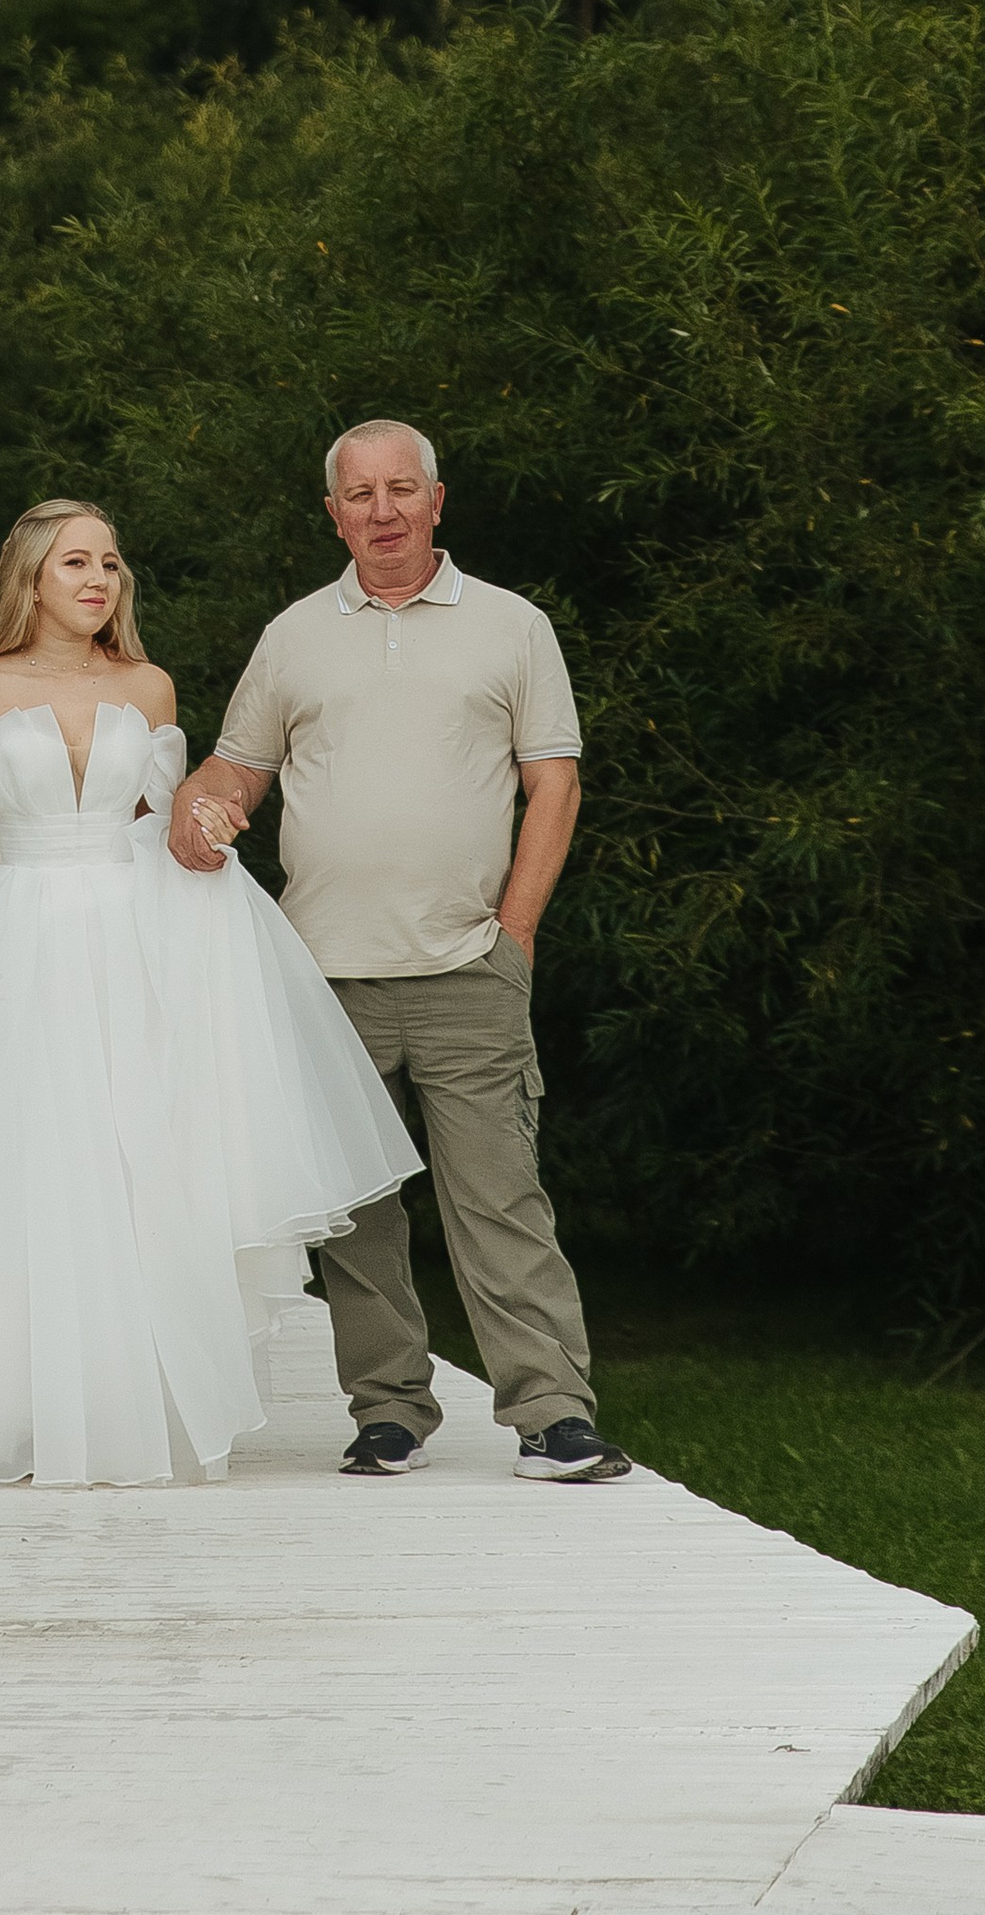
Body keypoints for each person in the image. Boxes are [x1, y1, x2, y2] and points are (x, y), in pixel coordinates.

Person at [0, 498, 419, 1487]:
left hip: (135, 935)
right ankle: (13, 1403)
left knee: (137, 1165)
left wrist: (205, 825)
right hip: (24, 931)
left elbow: (163, 819)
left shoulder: (149, 685)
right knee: (32, 1164)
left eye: (111, 564)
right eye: (75, 563)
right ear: (30, 580)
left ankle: (130, 1399)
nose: (99, 580)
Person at [170, 421, 631, 1484]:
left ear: (436, 501)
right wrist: (204, 809)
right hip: (320, 974)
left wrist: (512, 938)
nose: (381, 511)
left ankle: (551, 1414)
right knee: (354, 1217)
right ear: (332, 513)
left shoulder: (513, 628)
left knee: (499, 1198)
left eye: (401, 490)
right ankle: (387, 1412)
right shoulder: (293, 637)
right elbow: (238, 769)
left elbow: (552, 783)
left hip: (468, 965)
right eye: (359, 494)